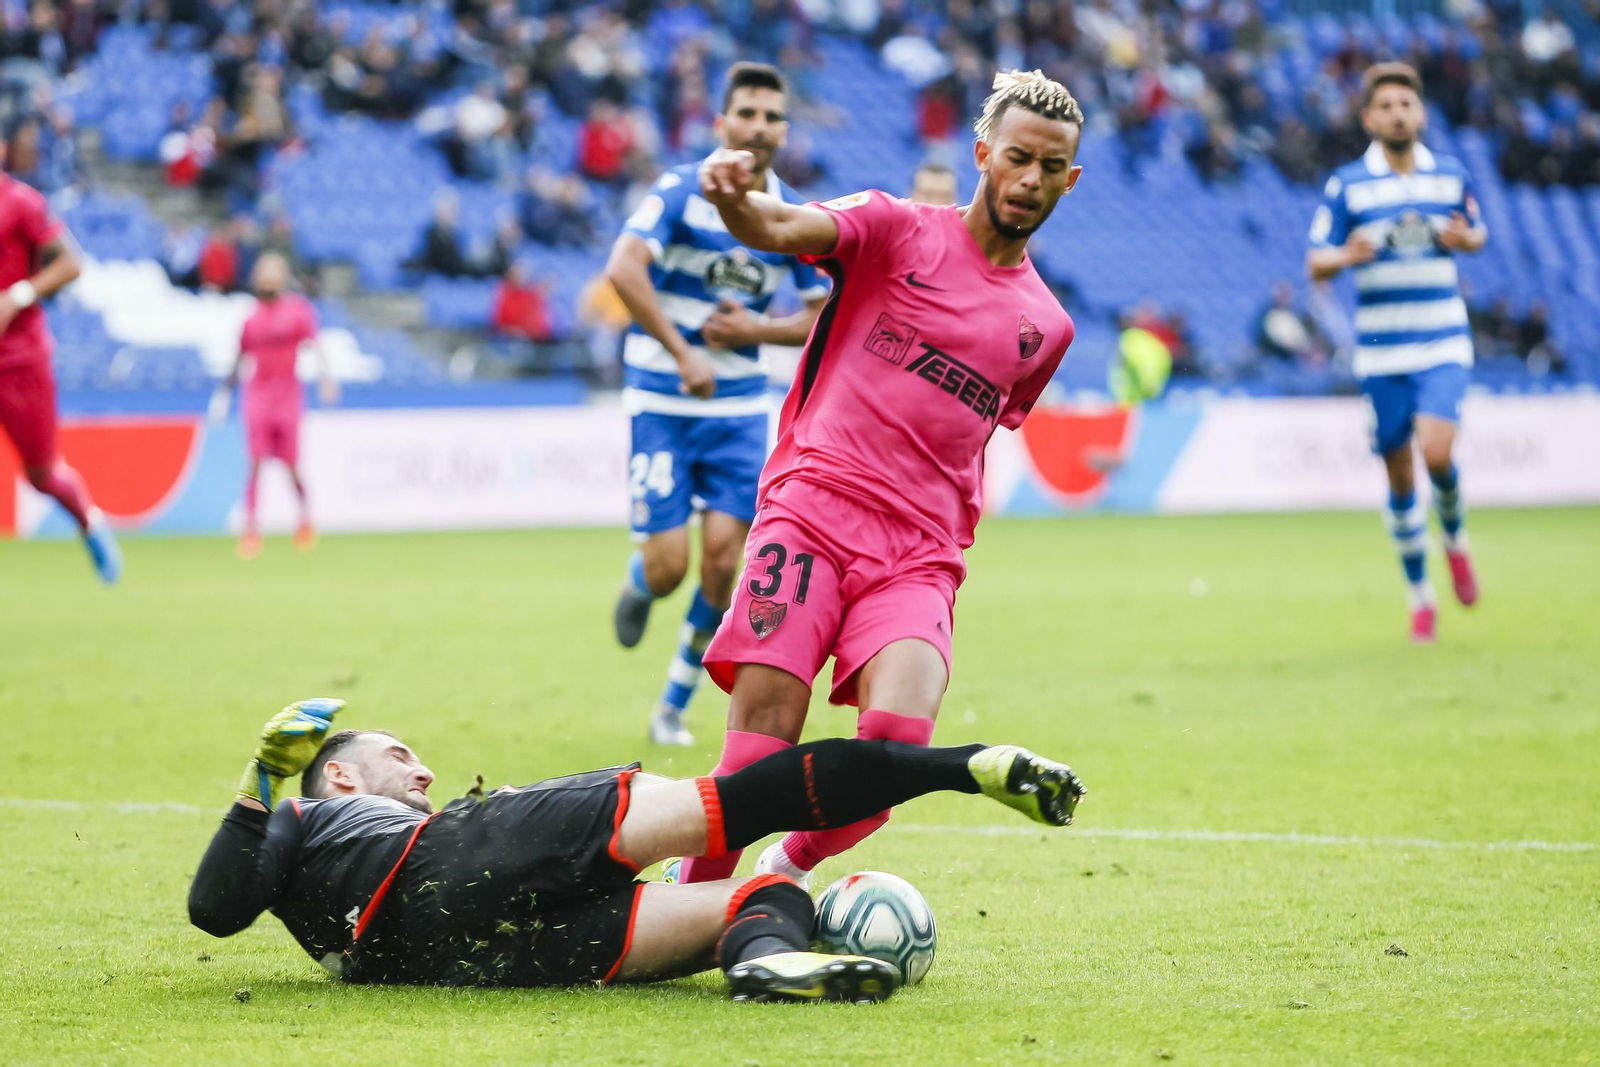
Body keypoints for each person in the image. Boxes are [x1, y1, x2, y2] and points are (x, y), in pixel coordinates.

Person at [674, 69, 1081, 888]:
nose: (1029, 180)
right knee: (755, 751)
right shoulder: (895, 227)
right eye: (1016, 158)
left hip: (919, 554)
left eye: (1049, 167)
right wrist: (732, 200)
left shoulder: (1048, 327)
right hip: (811, 513)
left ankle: (784, 868)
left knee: (895, 752)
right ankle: (688, 909)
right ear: (983, 154)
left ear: (1069, 179)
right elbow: (778, 223)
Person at [188, 698, 1086, 1001]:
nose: (422, 768)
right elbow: (214, 907)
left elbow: (223, 912)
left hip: (458, 962)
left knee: (758, 899)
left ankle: (767, 962)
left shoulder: (297, 856)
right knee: (737, 802)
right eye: (398, 755)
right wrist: (262, 779)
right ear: (338, 775)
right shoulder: (302, 815)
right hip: (451, 858)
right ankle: (966, 765)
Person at [605, 62, 830, 747]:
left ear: (783, 130)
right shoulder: (680, 191)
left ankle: (671, 706)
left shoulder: (790, 213)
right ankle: (642, 581)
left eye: (771, 117)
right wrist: (684, 352)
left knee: (726, 566)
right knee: (671, 566)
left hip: (736, 410)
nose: (758, 127)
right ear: (722, 123)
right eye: (747, 114)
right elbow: (622, 268)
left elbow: (823, 316)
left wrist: (755, 329)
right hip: (663, 397)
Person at [1306, 63, 1485, 644]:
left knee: (1437, 451)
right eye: (1385, 107)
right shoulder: (1349, 185)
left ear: (1421, 113)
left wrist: (1465, 239)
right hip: (1381, 351)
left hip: (1441, 337)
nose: (1397, 115)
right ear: (1368, 119)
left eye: (1405, 104)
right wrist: (1346, 255)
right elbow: (1316, 260)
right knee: (1400, 473)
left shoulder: (1450, 175)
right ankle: (1420, 596)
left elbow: (1477, 231)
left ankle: (1454, 539)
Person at [0, 137, 119, 582]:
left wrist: (17, 295)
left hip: (18, 358)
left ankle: (90, 524)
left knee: (42, 473)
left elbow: (71, 263)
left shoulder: (21, 202)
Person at [210, 252, 337, 558]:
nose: (267, 277)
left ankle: (304, 517)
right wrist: (223, 395)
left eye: (273, 271)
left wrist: (326, 378)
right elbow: (239, 359)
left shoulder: (297, 312)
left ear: (283, 276)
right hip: (257, 398)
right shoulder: (250, 320)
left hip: (288, 398)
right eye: (263, 271)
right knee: (255, 463)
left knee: (291, 466)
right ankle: (251, 531)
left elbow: (315, 345)